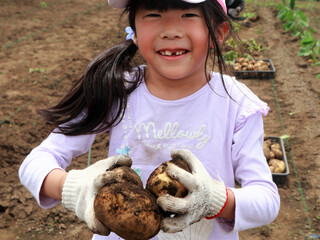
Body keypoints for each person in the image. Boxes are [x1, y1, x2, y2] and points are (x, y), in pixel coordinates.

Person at [19, 0, 280, 239]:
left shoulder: (236, 104)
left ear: (218, 33)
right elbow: (34, 164)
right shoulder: (116, 91)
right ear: (133, 32)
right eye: (153, 14)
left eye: (188, 14)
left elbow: (267, 200)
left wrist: (215, 200)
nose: (170, 31)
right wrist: (74, 187)